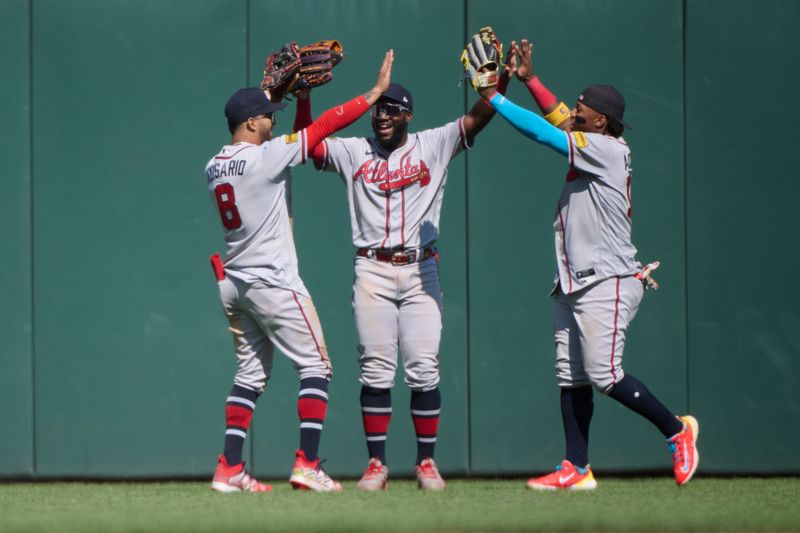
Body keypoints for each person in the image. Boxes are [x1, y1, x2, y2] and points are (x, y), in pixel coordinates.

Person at [474, 40, 699, 490]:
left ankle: (678, 431)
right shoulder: (596, 139)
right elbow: (557, 118)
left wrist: (493, 98)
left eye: (581, 109)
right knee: (571, 376)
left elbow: (544, 131)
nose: (572, 112)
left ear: (602, 121)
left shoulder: (609, 150)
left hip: (608, 280)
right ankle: (576, 468)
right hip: (575, 280)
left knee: (604, 374)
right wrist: (529, 79)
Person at [292, 51, 511, 490]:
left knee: (423, 368)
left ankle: (426, 463)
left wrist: (502, 82)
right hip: (371, 271)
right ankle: (377, 464)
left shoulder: (433, 143)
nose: (381, 116)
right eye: (377, 109)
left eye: (391, 109)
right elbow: (307, 144)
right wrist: (303, 100)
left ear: (408, 114)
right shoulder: (355, 151)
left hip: (420, 272)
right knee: (375, 370)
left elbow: (477, 118)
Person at [205, 50, 394, 493]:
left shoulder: (213, 165)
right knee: (317, 367)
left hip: (235, 283)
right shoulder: (263, 158)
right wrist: (374, 94)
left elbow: (300, 141)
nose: (273, 120)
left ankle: (229, 468)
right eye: (267, 116)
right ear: (250, 124)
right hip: (273, 280)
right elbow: (321, 131)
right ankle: (307, 463)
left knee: (250, 375)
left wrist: (292, 96)